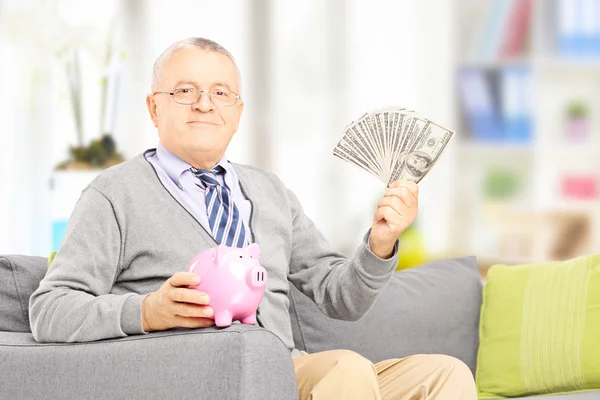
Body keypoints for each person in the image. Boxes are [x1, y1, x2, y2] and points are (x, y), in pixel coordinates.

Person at [29, 37, 476, 399]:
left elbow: (341, 297)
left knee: (445, 374)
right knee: (345, 369)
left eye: (220, 93)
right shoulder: (114, 193)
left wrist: (379, 244)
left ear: (237, 113)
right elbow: (49, 310)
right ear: (154, 108)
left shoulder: (271, 192)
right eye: (185, 91)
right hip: (196, 379)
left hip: (285, 372)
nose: (205, 104)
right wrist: (147, 311)